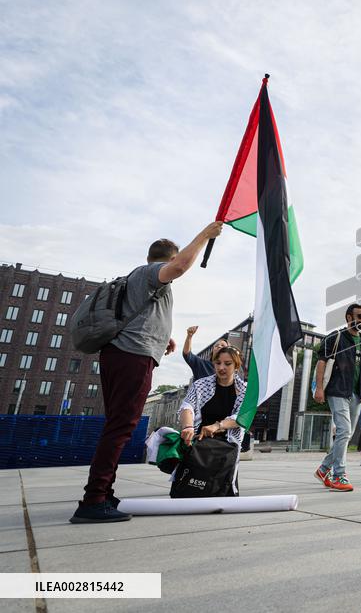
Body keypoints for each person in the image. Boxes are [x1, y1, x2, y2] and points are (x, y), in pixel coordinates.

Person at [71, 221, 223, 524]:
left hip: (123, 353)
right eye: (173, 260)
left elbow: (137, 314)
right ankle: (94, 498)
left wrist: (161, 337)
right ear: (166, 258)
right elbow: (179, 268)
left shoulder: (135, 279)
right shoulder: (151, 274)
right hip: (132, 357)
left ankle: (103, 493)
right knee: (121, 426)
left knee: (117, 424)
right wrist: (206, 235)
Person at [313, 303, 361, 493]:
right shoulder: (335, 337)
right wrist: (319, 387)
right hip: (337, 390)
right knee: (345, 430)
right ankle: (339, 475)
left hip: (358, 393)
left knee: (345, 435)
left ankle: (323, 469)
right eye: (359, 316)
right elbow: (322, 363)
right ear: (349, 317)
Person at [177, 346, 247, 493]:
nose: (221, 367)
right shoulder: (200, 385)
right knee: (190, 490)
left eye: (227, 364)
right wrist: (188, 427)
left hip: (227, 449)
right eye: (218, 363)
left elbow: (241, 417)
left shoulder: (245, 390)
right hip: (199, 447)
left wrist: (217, 426)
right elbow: (187, 406)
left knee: (222, 493)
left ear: (236, 366)